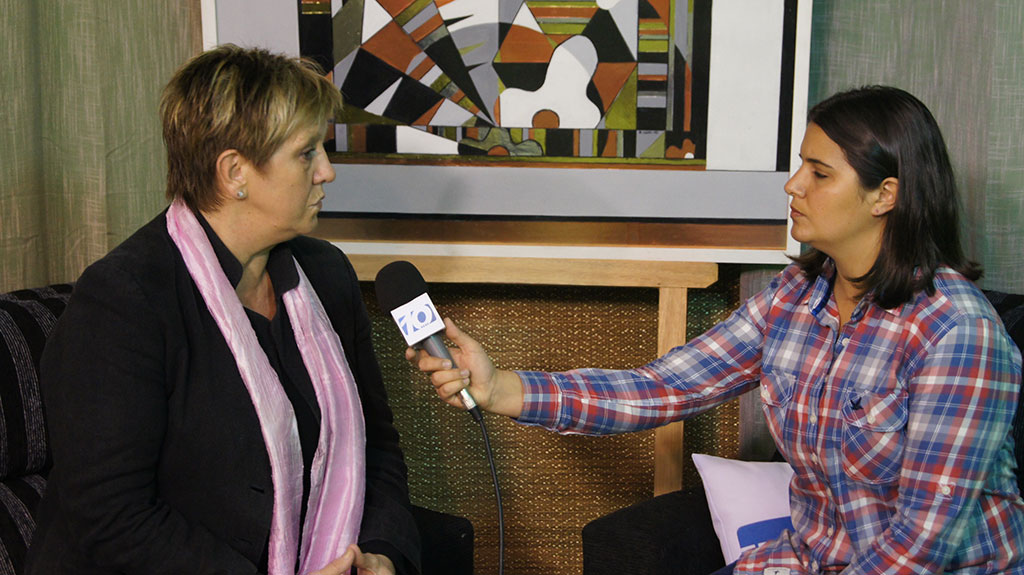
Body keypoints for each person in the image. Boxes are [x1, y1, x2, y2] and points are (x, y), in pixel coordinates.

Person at [411, 86, 1024, 574]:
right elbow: (662, 387)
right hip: (807, 560)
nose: (793, 185)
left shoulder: (957, 334)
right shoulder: (792, 298)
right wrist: (501, 387)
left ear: (884, 195)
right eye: (800, 166)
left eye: (819, 173)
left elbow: (919, 548)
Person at [26, 45, 418, 575]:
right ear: (235, 172)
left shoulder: (328, 275)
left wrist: (383, 555)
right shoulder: (122, 301)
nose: (327, 171)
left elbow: (378, 447)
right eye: (306, 153)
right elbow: (112, 516)